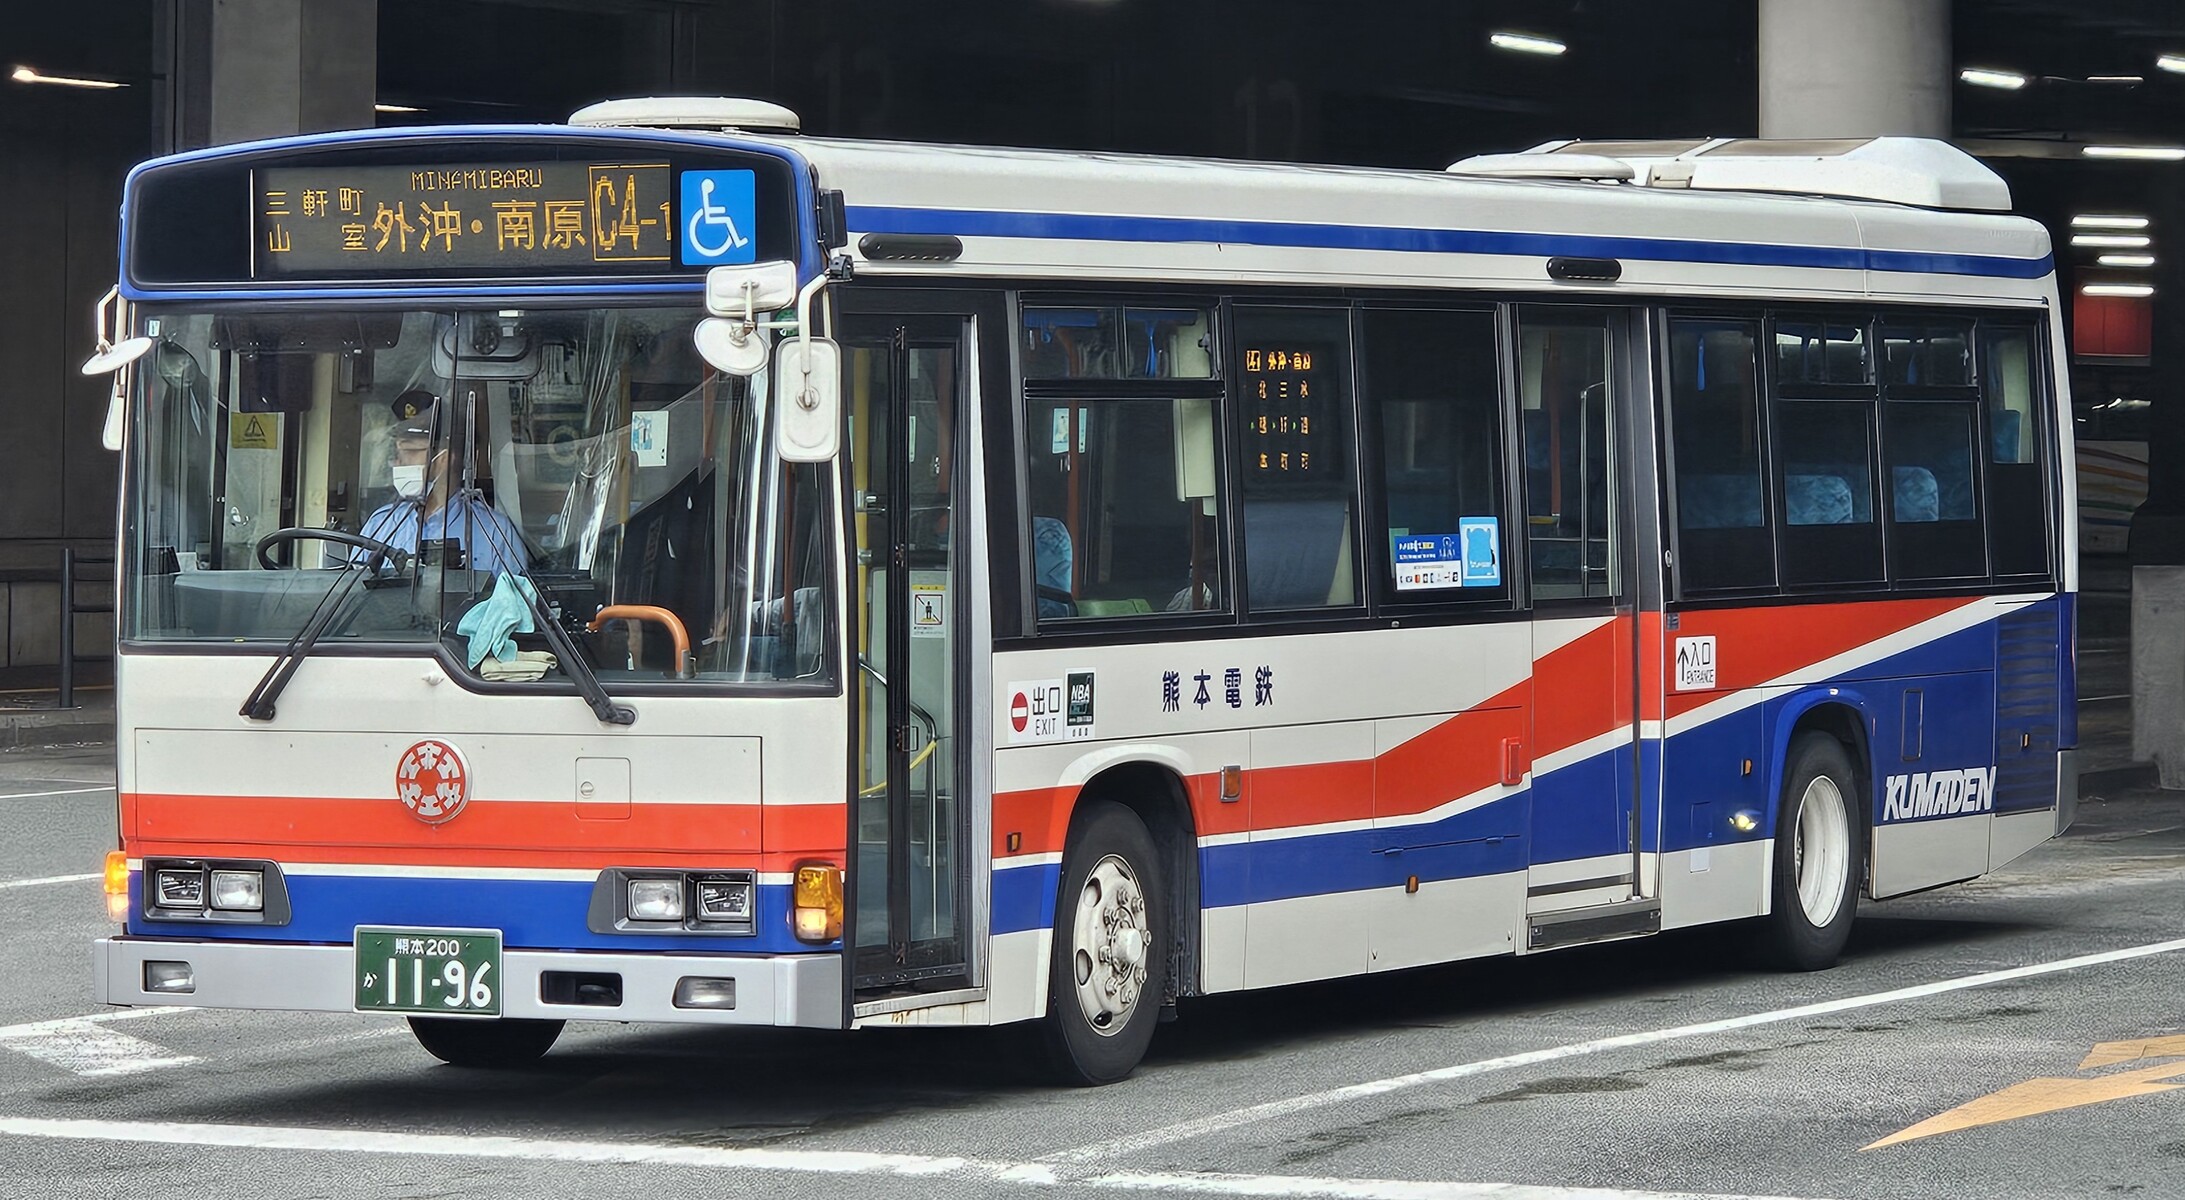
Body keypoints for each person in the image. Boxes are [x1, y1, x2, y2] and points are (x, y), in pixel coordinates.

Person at [349, 389, 528, 574]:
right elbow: (354, 593)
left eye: (409, 451)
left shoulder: (493, 532)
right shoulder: (381, 525)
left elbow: (512, 600)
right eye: (397, 453)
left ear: (443, 459)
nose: (398, 462)